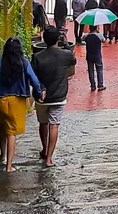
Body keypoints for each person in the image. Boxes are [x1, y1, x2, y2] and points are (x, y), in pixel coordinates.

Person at [0, 36, 43, 172]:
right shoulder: (24, 63)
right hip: (16, 101)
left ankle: (2, 155)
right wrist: (37, 94)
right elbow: (35, 81)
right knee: (11, 132)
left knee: (3, 127)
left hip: (0, 100)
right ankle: (9, 166)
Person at [31, 26, 76, 168]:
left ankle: (44, 150)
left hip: (41, 98)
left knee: (43, 123)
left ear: (44, 40)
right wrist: (66, 43)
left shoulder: (37, 57)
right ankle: (49, 158)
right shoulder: (65, 55)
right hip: (59, 96)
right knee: (54, 125)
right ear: (58, 38)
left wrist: (42, 88)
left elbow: (33, 76)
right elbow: (73, 60)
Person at [82, 24, 106, 91]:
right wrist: (98, 32)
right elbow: (104, 40)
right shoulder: (99, 35)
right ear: (96, 28)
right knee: (99, 70)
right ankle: (100, 85)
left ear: (89, 28)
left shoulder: (86, 36)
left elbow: (82, 38)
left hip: (89, 55)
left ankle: (92, 86)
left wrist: (89, 33)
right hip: (97, 55)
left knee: (91, 70)